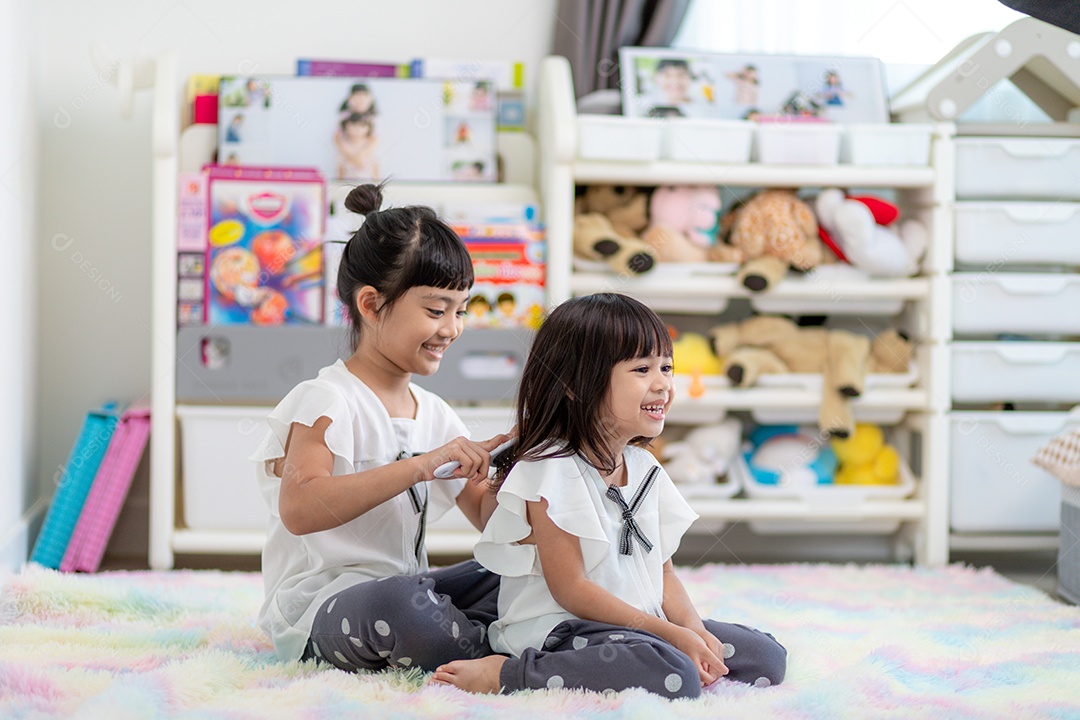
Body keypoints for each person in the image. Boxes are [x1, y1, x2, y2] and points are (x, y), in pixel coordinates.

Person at [432, 293, 787, 698]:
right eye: (641, 369)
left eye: (666, 368)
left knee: (766, 658)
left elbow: (663, 572)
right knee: (673, 673)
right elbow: (572, 589)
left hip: (636, 626)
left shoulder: (643, 468)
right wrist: (667, 635)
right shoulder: (550, 470)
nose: (663, 385)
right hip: (559, 630)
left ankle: (663, 646)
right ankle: (509, 674)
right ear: (574, 385)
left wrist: (692, 630)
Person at [253, 182, 511, 674]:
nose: (452, 328)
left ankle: (490, 644)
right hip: (323, 611)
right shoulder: (326, 400)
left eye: (460, 310)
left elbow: (486, 515)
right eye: (436, 310)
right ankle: (499, 656)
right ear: (370, 305)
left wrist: (521, 470)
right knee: (401, 605)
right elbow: (301, 508)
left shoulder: (434, 412)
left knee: (511, 578)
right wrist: (419, 467)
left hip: (410, 591)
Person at [335, 113, 380, 180]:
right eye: (353, 125)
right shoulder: (344, 146)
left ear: (368, 128)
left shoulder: (370, 145)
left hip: (368, 183)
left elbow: (376, 168)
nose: (357, 129)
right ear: (346, 127)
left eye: (362, 126)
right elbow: (340, 169)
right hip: (348, 182)